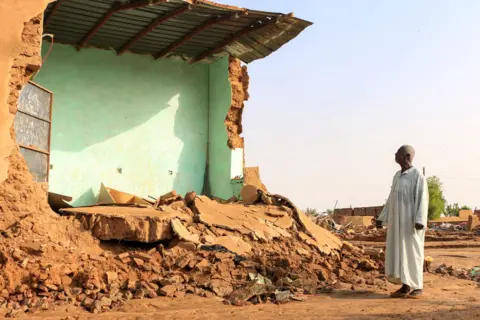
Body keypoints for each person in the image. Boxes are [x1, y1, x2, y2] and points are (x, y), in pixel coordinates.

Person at [376, 145, 429, 298]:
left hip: (411, 223)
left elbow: (423, 199)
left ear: (406, 156)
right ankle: (405, 285)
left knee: (413, 253)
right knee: (400, 252)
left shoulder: (417, 175)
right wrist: (382, 218)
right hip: (396, 222)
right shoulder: (397, 176)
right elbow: (391, 199)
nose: (395, 154)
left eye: (398, 153)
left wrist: (420, 220)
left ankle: (417, 286)